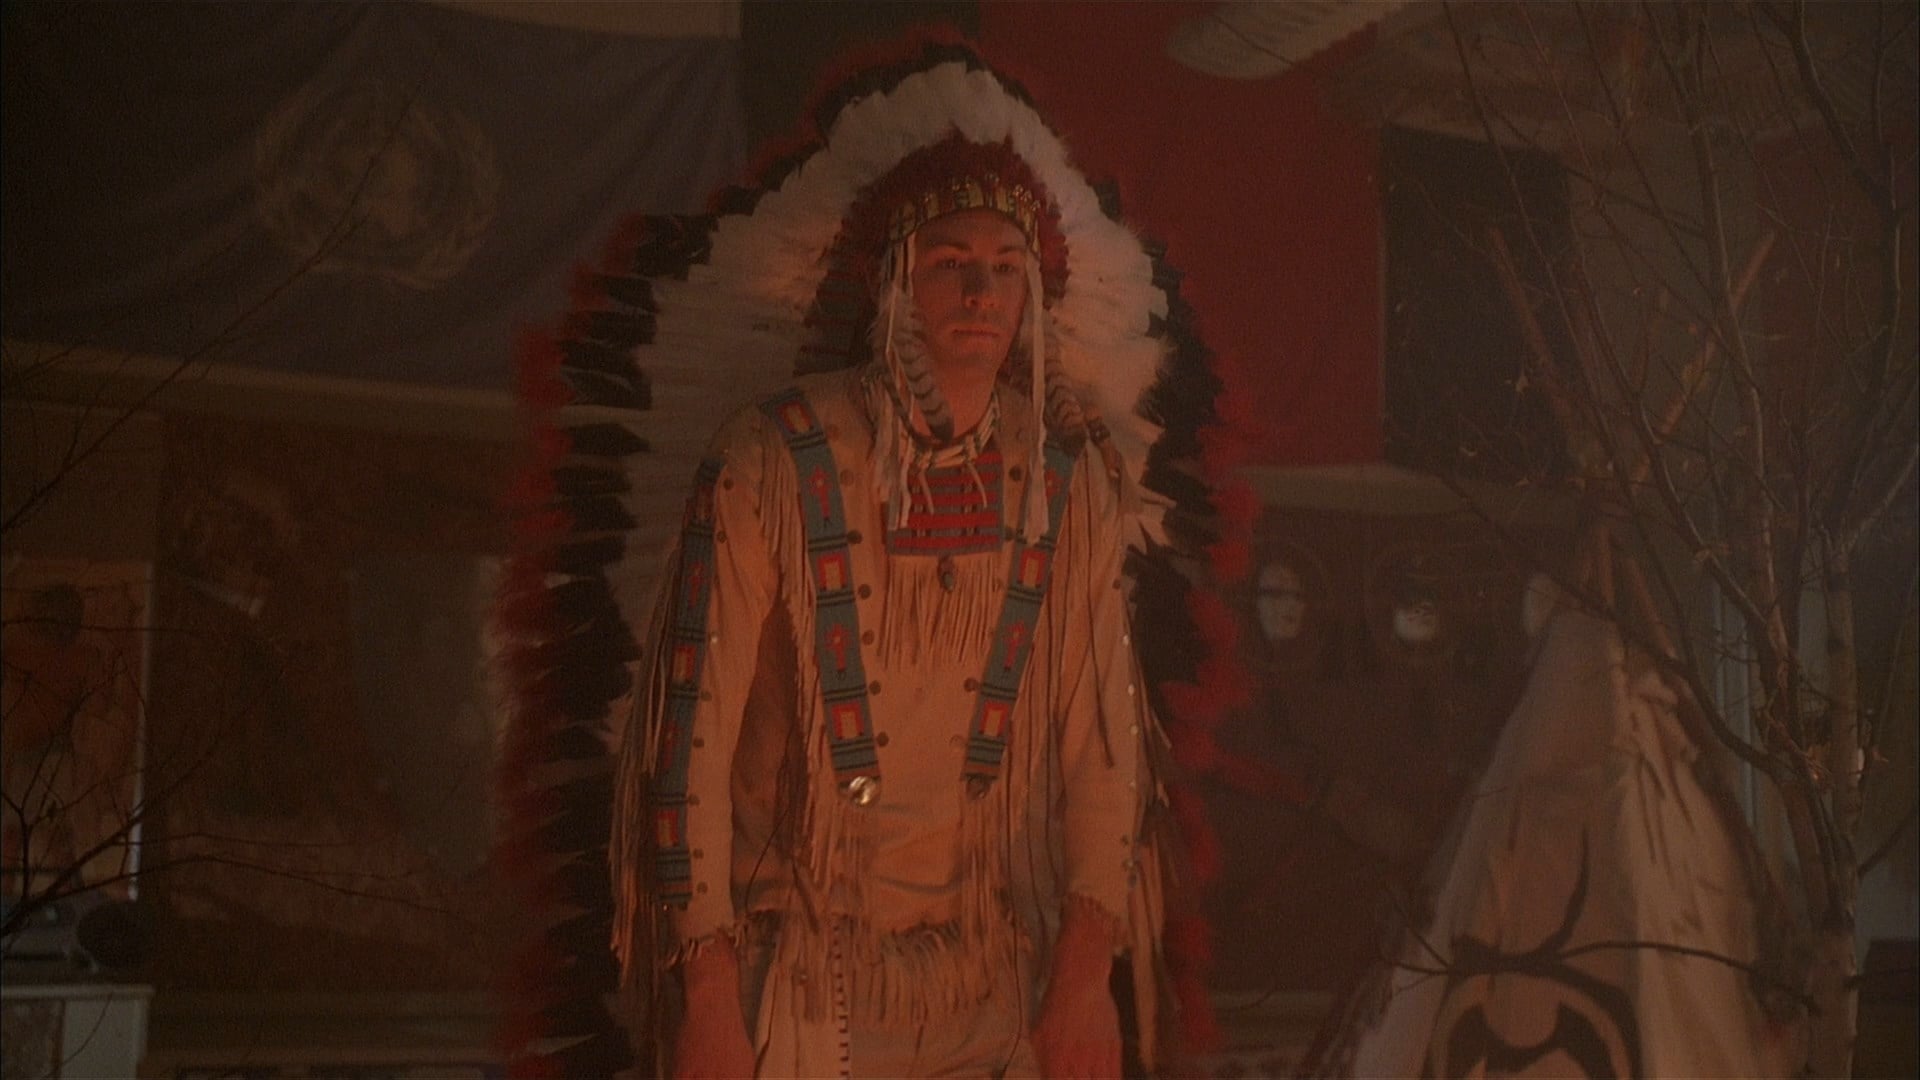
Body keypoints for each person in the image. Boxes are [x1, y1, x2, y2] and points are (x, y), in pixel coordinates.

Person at [600, 42, 1180, 1079]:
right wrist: (709, 996)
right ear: (893, 281)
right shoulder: (772, 461)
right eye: (951, 261)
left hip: (994, 969)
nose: (982, 290)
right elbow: (693, 737)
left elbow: (1103, 743)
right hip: (801, 974)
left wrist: (1087, 974)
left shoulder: (1065, 484)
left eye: (1006, 268)